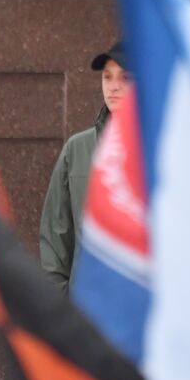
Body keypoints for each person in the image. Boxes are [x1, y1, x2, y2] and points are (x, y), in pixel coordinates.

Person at [39, 41, 132, 292]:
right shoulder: (77, 149)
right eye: (107, 77)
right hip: (88, 310)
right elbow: (55, 237)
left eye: (125, 78)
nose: (113, 86)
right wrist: (63, 304)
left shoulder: (162, 150)